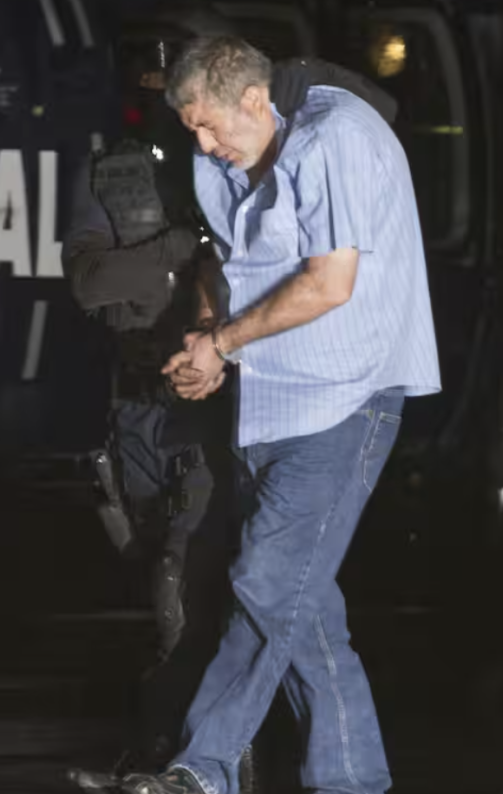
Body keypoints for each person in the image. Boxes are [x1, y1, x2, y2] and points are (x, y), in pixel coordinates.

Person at [120, 36, 442, 794]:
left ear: (255, 100)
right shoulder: (225, 155)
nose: (203, 145)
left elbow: (329, 283)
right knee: (305, 614)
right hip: (267, 404)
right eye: (192, 130)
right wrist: (208, 339)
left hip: (346, 398)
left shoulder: (337, 137)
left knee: (267, 585)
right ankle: (354, 780)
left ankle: (201, 772)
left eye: (209, 126)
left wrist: (224, 343)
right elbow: (229, 266)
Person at [63, 36, 228, 665]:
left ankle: (203, 723)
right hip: (136, 399)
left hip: (204, 400)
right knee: (151, 564)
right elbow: (90, 282)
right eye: (149, 87)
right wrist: (180, 248)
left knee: (182, 576)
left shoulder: (224, 159)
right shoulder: (110, 172)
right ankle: (178, 717)